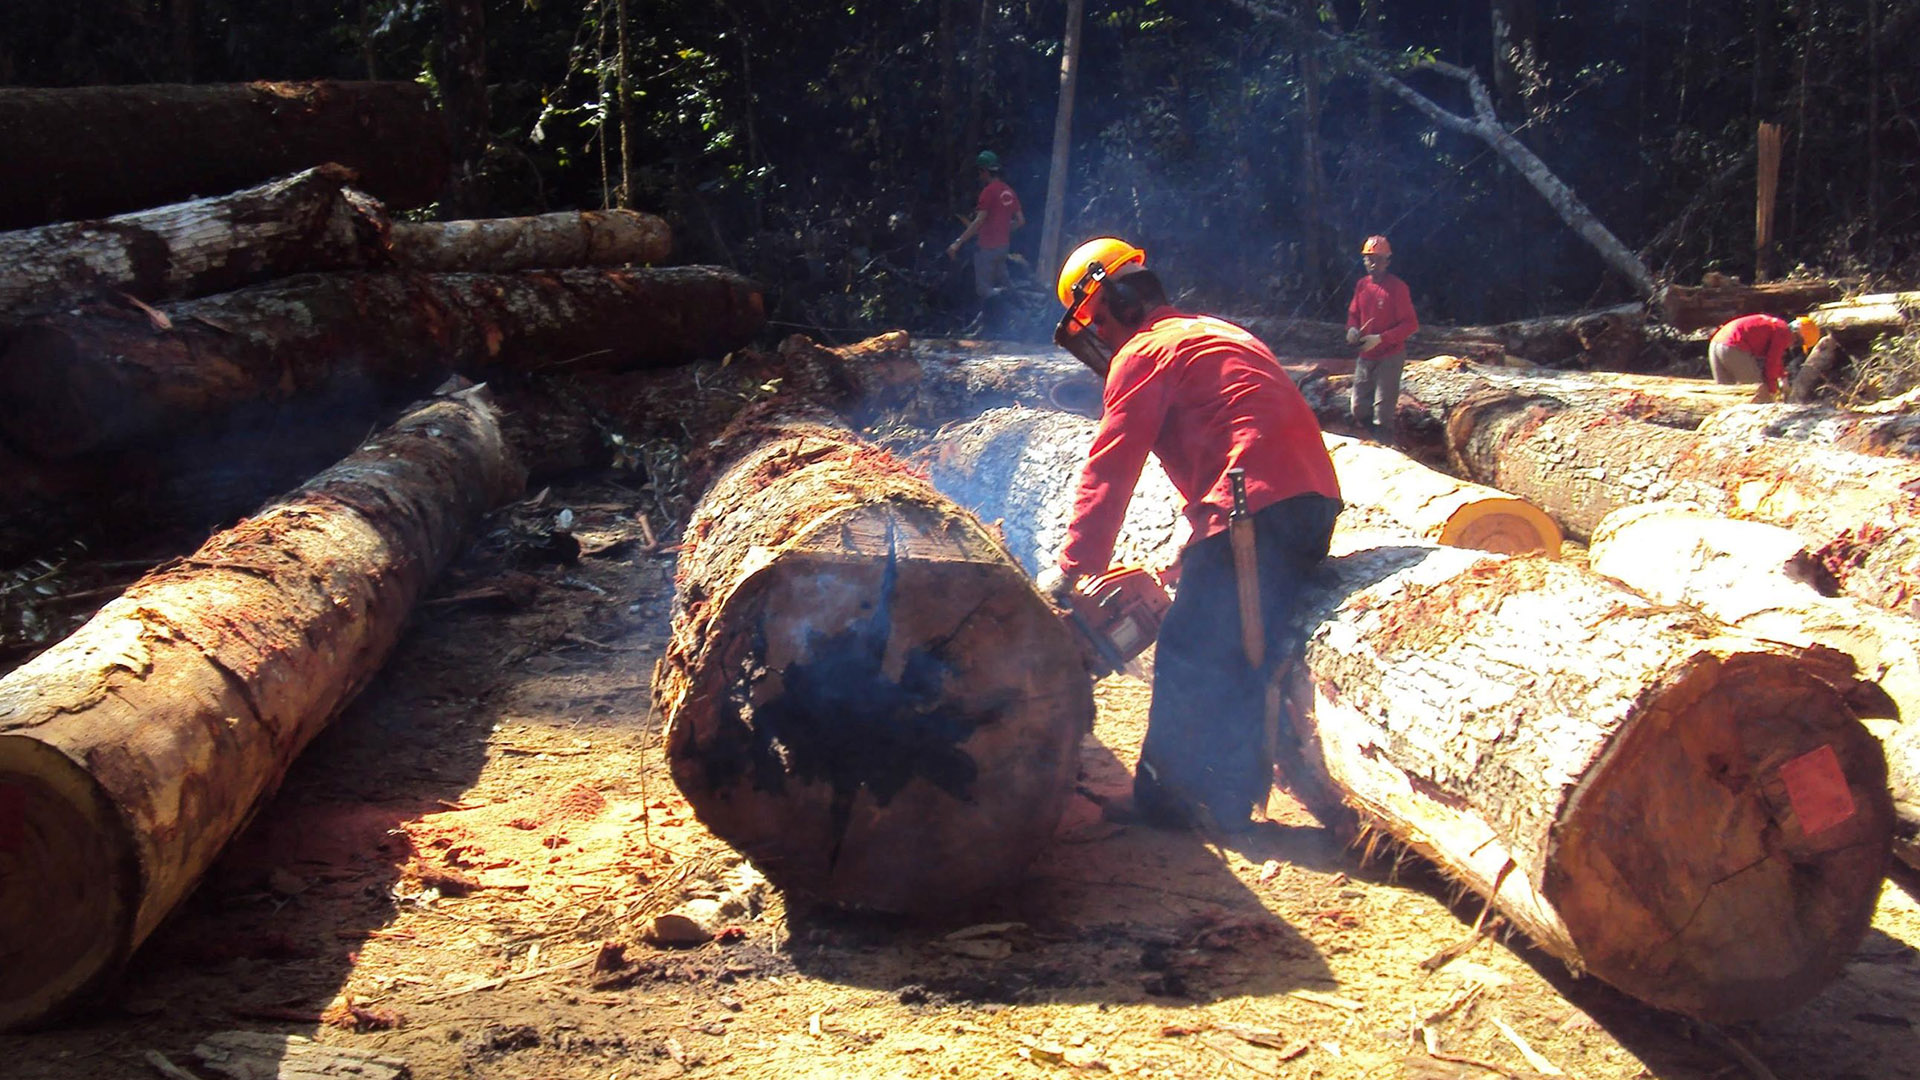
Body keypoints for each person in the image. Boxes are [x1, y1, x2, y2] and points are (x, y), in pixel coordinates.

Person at [1039, 237, 1344, 832]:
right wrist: (1194, 534)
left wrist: (1072, 568)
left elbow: (1111, 463)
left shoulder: (1145, 352)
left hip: (1256, 511)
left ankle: (1168, 803)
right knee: (1235, 641)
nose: (1102, 336)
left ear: (1118, 304)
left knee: (1188, 649)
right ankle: (1224, 800)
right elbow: (1234, 431)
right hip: (1303, 503)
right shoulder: (1213, 331)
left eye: (1098, 321)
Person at [1344, 235, 1419, 445]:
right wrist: (1351, 329)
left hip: (1390, 355)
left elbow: (1410, 324)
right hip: (1366, 354)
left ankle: (1384, 445)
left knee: (1383, 410)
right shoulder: (1362, 285)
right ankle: (1373, 439)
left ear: (1387, 261)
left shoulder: (1397, 288)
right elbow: (1354, 314)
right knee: (1358, 407)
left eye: (1378, 259)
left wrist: (1381, 338)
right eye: (1369, 259)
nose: (1373, 264)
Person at [946, 150, 1025, 300]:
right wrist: (1002, 229)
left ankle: (1003, 298)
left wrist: (957, 243)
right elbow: (1021, 221)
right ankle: (1024, 308)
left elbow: (979, 221)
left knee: (984, 290)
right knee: (1005, 281)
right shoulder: (1008, 191)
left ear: (984, 171)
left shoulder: (988, 192)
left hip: (988, 249)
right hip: (1003, 247)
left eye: (980, 171)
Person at [1709, 313, 1822, 403]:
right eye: (1797, 343)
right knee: (1758, 394)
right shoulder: (1784, 333)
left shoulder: (1777, 326)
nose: (1792, 345)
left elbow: (1776, 359)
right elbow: (1771, 364)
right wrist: (1772, 392)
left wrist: (1783, 377)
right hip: (1733, 346)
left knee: (1725, 396)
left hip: (1716, 343)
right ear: (1797, 335)